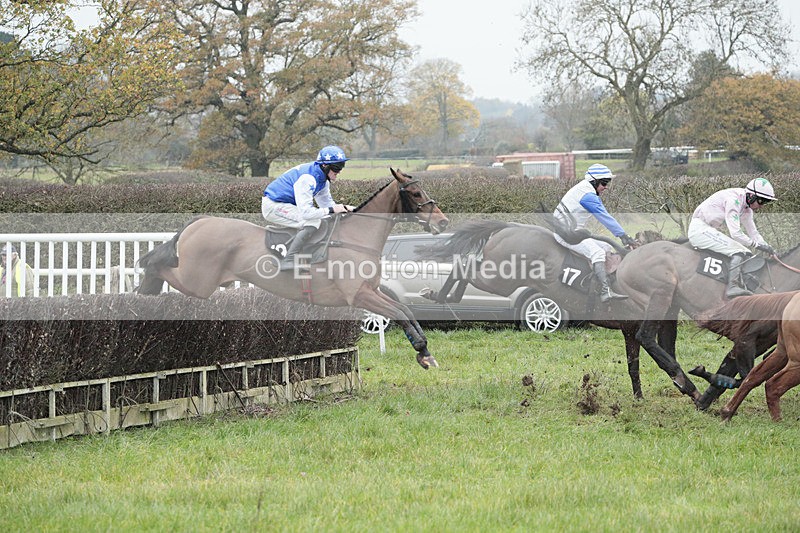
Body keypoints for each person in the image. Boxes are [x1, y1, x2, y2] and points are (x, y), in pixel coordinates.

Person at [553, 163, 637, 303]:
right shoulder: (587, 196)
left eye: (607, 183)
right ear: (594, 181)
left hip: (574, 232)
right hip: (567, 235)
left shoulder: (586, 189)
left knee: (605, 246)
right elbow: (604, 216)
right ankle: (605, 291)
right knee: (597, 253)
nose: (606, 187)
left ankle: (600, 280)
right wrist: (623, 236)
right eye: (604, 183)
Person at [262, 145, 355, 270]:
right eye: (336, 168)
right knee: (313, 221)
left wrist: (346, 209)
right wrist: (332, 210)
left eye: (341, 166)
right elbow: (307, 213)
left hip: (285, 204)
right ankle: (288, 259)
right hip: (273, 206)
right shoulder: (308, 179)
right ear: (324, 166)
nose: (339, 171)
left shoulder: (322, 179)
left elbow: (327, 205)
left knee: (323, 219)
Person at [688, 177, 777, 298]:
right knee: (740, 251)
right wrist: (757, 246)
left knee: (746, 252)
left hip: (708, 229)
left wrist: (767, 247)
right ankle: (732, 287)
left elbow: (753, 233)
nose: (762, 206)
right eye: (761, 201)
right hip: (700, 230)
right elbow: (735, 233)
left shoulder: (746, 208)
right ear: (751, 196)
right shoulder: (734, 200)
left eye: (765, 202)